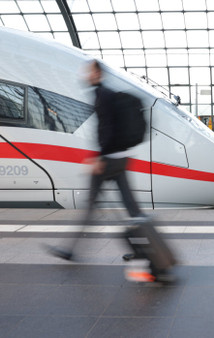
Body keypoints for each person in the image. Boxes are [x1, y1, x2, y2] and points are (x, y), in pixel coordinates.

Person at [49, 60, 145, 261]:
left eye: (89, 71)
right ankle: (141, 249)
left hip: (109, 160)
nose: (85, 75)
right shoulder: (107, 94)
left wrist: (99, 158)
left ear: (97, 74)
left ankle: (70, 249)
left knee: (91, 205)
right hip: (120, 158)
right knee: (131, 207)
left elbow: (106, 129)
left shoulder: (102, 96)